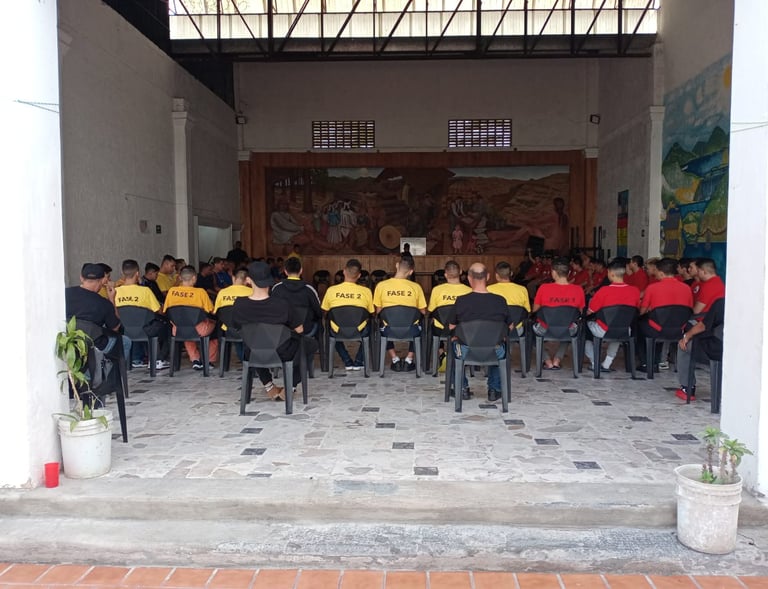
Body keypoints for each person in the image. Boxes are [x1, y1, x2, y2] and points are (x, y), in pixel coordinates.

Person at [232, 261, 318, 400]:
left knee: (255, 342)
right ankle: (290, 386)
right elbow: (299, 329)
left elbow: (237, 327)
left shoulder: (239, 304)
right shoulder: (281, 304)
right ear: (270, 281)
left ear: (248, 280)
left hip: (253, 352)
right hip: (281, 352)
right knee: (309, 345)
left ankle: (269, 386)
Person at [448, 262, 515, 402]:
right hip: (495, 351)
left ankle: (462, 388)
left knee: (453, 346)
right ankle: (494, 390)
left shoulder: (461, 301)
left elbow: (451, 327)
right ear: (488, 276)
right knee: (500, 344)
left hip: (467, 351)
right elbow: (510, 326)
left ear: (469, 278)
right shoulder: (500, 301)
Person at [65, 262, 131, 366]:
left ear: (81, 278)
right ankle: (109, 372)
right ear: (101, 281)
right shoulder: (103, 303)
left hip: (68, 341)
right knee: (125, 342)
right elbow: (115, 328)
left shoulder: (65, 294)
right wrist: (112, 300)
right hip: (94, 345)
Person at [636, 257, 694, 371]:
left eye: (656, 271)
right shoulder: (686, 288)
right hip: (679, 329)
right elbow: (689, 309)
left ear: (661, 273)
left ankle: (646, 362)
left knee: (639, 325)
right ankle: (659, 361)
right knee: (655, 323)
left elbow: (642, 311)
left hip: (657, 329)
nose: (655, 274)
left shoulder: (652, 288)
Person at [583, 259, 640, 372]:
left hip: (603, 329)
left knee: (583, 330)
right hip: (625, 330)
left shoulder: (604, 291)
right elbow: (636, 309)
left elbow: (590, 311)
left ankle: (594, 363)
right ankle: (606, 364)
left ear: (611, 274)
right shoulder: (635, 291)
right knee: (618, 329)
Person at [373, 254, 427, 372]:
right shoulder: (416, 287)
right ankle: (409, 359)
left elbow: (378, 311)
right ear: (411, 272)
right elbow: (423, 311)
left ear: (397, 265)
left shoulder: (381, 286)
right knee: (420, 324)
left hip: (388, 330)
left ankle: (394, 359)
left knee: (382, 322)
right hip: (411, 330)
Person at [115, 259, 170, 370]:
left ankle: (135, 359)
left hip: (126, 330)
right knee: (169, 327)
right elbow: (158, 310)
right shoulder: (145, 291)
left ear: (122, 273)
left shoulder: (116, 292)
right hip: (146, 331)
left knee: (133, 321)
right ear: (137, 273)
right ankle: (158, 359)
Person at [531, 257, 585, 370]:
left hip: (546, 329)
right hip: (568, 329)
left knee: (529, 333)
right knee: (572, 329)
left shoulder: (543, 288)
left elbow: (535, 310)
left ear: (553, 273)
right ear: (569, 273)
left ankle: (547, 360)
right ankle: (557, 359)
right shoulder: (578, 290)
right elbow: (580, 312)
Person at [321, 258, 375, 370]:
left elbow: (325, 312)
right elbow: (372, 313)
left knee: (330, 328)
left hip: (337, 330)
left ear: (344, 271)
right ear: (359, 275)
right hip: (360, 330)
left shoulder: (331, 290)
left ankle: (347, 360)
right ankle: (359, 361)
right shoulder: (366, 292)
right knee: (371, 327)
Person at [162, 265, 219, 371]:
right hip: (199, 329)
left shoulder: (171, 291)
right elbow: (211, 311)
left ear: (180, 278)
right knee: (215, 328)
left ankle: (195, 359)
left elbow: (166, 311)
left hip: (177, 329)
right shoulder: (200, 292)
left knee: (186, 327)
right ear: (194, 278)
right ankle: (209, 361)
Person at [675, 298, 724, 401]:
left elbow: (703, 326)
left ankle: (687, 388)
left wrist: (687, 336)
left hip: (717, 349)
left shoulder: (722, 303)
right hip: (740, 349)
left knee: (684, 345)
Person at [427, 261, 471, 373]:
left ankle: (442, 354)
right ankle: (461, 354)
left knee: (434, 324)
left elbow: (431, 311)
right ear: (460, 272)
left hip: (441, 330)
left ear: (445, 275)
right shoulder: (469, 291)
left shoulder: (437, 290)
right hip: (462, 330)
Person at [270, 256, 322, 338]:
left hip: (283, 329)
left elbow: (272, 309)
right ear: (301, 270)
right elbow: (318, 312)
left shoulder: (277, 288)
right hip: (306, 329)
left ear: (285, 271)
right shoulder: (309, 289)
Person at [487, 261, 531, 337]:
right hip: (517, 330)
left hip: (496, 329)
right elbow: (528, 312)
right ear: (511, 274)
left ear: (496, 275)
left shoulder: (488, 289)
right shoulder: (522, 289)